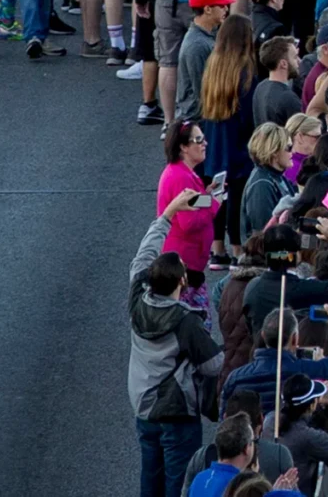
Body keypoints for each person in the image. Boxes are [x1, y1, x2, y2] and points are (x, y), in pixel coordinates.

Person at [129, 187, 225, 497]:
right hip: (178, 411)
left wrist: (168, 213)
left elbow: (144, 253)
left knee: (150, 479)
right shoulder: (186, 322)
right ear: (182, 281)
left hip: (144, 405)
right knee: (179, 483)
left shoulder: (137, 299)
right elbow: (214, 364)